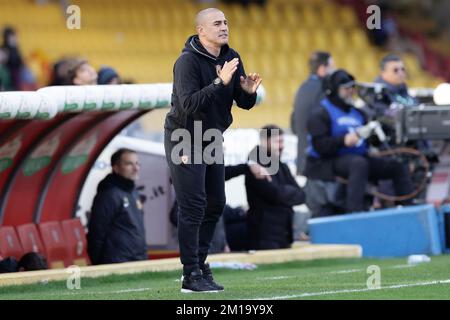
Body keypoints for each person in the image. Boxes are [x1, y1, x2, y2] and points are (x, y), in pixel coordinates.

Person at [164, 8, 262, 293]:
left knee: (216, 203)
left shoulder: (233, 57)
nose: (224, 27)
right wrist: (220, 82)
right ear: (201, 31)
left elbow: (242, 104)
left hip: (211, 136)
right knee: (193, 205)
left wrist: (247, 91)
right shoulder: (186, 62)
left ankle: (201, 264)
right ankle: (189, 272)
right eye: (217, 23)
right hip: (184, 136)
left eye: (226, 22)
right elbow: (188, 105)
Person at [304, 69, 414, 213]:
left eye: (352, 87)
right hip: (329, 161)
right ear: (334, 90)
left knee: (396, 165)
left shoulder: (357, 112)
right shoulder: (320, 112)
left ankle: (408, 207)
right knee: (358, 164)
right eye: (346, 88)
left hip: (357, 157)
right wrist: (343, 140)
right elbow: (320, 146)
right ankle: (355, 211)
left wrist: (374, 135)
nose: (350, 91)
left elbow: (370, 141)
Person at [246, 125, 306, 250]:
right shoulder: (255, 164)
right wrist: (287, 191)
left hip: (284, 234)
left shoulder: (282, 166)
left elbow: (301, 195)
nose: (281, 146)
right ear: (264, 142)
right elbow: (274, 193)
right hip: (263, 236)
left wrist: (282, 191)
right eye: (277, 142)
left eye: (282, 141)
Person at [87, 148, 147, 265]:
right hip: (117, 262)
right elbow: (97, 232)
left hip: (138, 259)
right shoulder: (108, 194)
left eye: (137, 163)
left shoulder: (133, 191)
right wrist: (97, 262)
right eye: (129, 164)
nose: (136, 168)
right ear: (116, 168)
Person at [291, 51, 335, 175]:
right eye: (332, 67)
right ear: (322, 69)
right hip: (318, 166)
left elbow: (294, 124)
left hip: (302, 162)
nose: (334, 70)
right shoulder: (323, 90)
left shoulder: (302, 88)